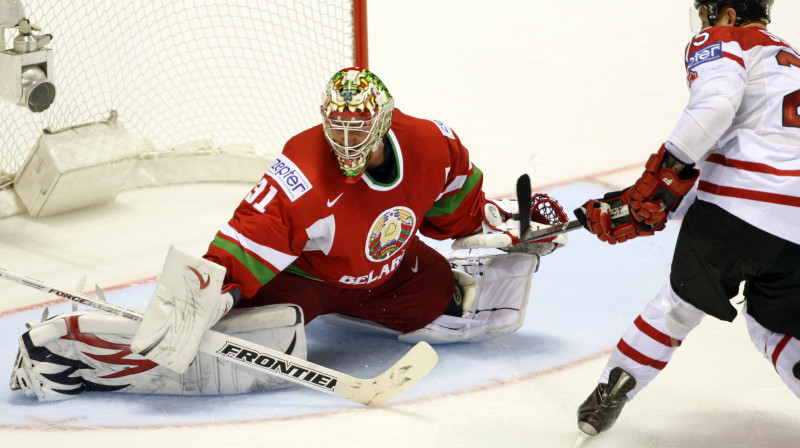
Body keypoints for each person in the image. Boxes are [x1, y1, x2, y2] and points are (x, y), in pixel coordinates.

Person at [10, 67, 568, 400]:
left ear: (385, 122)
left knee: (449, 301)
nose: (346, 140)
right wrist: (216, 292)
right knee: (240, 344)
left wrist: (504, 226)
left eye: (359, 129)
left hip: (388, 273)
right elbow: (253, 234)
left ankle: (370, 307)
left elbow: (456, 208)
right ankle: (71, 349)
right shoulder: (302, 169)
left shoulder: (431, 144)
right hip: (308, 277)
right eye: (337, 126)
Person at [573, 0, 800, 437]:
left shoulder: (725, 40)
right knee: (776, 321)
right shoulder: (790, 62)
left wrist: (658, 177)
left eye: (706, 14)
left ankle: (608, 395)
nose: (703, 23)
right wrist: (654, 199)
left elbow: (715, 107)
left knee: (679, 305)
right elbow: (756, 156)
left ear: (728, 14)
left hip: (740, 207)